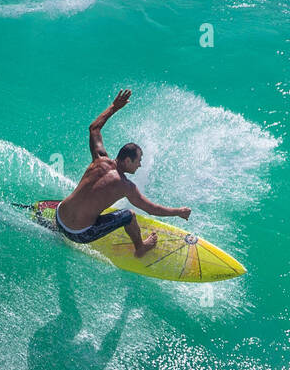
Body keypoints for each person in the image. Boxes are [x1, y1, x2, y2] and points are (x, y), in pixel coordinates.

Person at [53, 89, 190, 258]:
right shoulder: (125, 186)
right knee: (129, 215)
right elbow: (151, 209)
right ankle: (140, 247)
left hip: (58, 218)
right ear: (127, 160)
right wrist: (178, 211)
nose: (140, 165)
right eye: (138, 160)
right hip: (78, 234)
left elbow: (94, 128)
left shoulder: (99, 160)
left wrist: (114, 107)